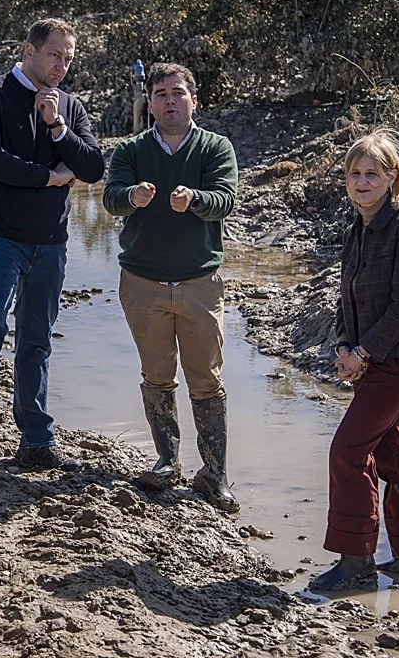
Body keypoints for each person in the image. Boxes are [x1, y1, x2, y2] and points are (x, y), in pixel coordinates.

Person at [0, 17, 105, 476]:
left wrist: (57, 127)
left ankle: (36, 439)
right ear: (29, 51)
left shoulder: (70, 107)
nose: (62, 65)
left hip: (51, 243)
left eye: (69, 59)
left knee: (36, 340)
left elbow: (93, 166)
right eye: (55, 55)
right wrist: (49, 177)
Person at [102, 62, 240, 513]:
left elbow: (227, 198)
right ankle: (167, 461)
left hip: (200, 282)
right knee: (157, 376)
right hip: (143, 284)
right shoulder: (132, 150)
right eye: (160, 93)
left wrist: (196, 201)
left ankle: (215, 474)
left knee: (206, 379)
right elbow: (109, 197)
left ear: (193, 100)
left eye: (177, 92)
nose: (169, 100)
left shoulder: (215, 147)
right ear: (150, 101)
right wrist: (131, 198)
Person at [310, 130, 399, 591]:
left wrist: (364, 353)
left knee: (348, 451)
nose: (361, 182)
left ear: (392, 178)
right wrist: (344, 347)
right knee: (393, 451)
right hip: (370, 358)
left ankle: (357, 563)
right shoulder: (356, 231)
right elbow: (347, 300)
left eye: (372, 173)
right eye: (354, 173)